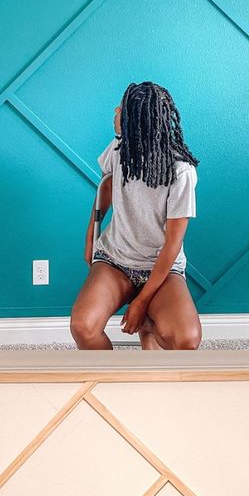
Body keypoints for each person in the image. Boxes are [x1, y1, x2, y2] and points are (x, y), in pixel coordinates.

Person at [70, 81, 202, 350]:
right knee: (83, 327)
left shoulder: (181, 171)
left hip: (161, 267)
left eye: (124, 112)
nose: (116, 112)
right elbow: (106, 187)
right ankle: (113, 383)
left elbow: (173, 244)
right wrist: (90, 241)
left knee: (186, 339)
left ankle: (150, 324)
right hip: (115, 261)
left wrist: (141, 303)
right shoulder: (121, 151)